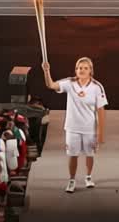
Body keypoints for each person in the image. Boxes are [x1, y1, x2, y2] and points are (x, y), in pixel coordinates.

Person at [41, 57, 108, 193]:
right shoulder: (69, 83)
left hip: (89, 128)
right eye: (79, 68)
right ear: (76, 70)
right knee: (72, 155)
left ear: (90, 71)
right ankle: (72, 180)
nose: (82, 70)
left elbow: (101, 111)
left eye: (85, 68)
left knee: (90, 154)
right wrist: (46, 71)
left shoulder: (97, 87)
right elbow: (51, 85)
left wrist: (100, 134)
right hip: (72, 128)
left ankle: (88, 177)